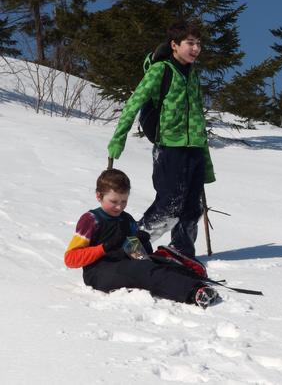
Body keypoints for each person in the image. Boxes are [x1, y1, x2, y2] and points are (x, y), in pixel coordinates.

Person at [107, 21, 215, 259]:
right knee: (168, 206)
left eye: (199, 44)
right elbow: (134, 102)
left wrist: (206, 162)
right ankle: (130, 249)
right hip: (170, 147)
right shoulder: (161, 70)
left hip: (194, 149)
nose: (196, 48)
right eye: (190, 43)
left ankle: (182, 252)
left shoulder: (193, 76)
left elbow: (198, 119)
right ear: (174, 45)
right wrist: (119, 137)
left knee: (192, 208)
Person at [64, 169, 219, 308]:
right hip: (98, 273)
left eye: (124, 201)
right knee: (141, 270)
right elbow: (71, 259)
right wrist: (104, 247)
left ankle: (196, 281)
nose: (119, 207)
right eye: (114, 201)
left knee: (159, 263)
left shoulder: (127, 219)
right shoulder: (91, 220)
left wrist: (141, 244)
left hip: (124, 264)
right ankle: (194, 293)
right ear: (99, 196)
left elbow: (138, 256)